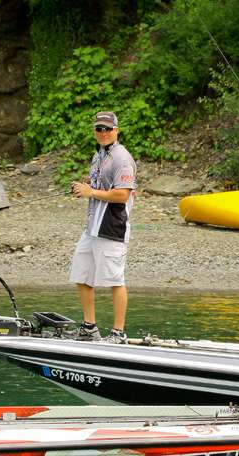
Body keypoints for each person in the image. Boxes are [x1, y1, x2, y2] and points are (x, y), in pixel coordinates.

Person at [68, 111, 137, 344]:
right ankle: (90, 328)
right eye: (99, 128)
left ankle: (118, 333)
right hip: (92, 227)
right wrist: (85, 188)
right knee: (82, 274)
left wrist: (91, 192)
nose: (103, 133)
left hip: (112, 227)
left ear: (116, 130)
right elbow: (100, 187)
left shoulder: (122, 158)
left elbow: (121, 195)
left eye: (108, 129)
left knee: (115, 280)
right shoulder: (98, 155)